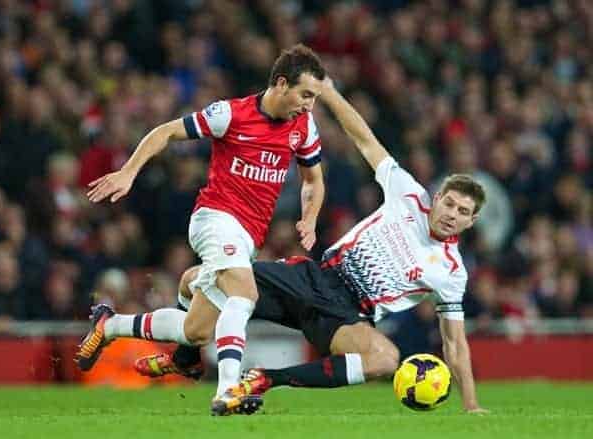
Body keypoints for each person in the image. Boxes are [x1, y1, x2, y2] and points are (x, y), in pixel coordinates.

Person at [79, 78, 489, 415]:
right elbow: (365, 139)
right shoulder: (407, 194)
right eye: (449, 202)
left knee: (384, 357)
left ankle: (264, 379)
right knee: (192, 287)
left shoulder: (451, 273)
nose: (451, 212)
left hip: (347, 314)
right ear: (437, 198)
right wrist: (328, 93)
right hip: (314, 276)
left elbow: (455, 342)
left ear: (470, 222)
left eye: (462, 211)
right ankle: (175, 351)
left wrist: (470, 405)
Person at [75, 44, 326, 416]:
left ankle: (109, 325)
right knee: (245, 292)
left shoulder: (302, 127)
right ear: (281, 83)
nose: (309, 105)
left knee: (196, 331)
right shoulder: (230, 114)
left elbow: (313, 181)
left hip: (248, 238)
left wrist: (310, 216)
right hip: (215, 218)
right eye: (305, 95)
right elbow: (165, 132)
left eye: (315, 98)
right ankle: (228, 391)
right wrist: (129, 171)